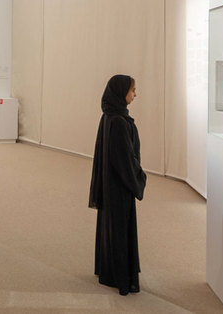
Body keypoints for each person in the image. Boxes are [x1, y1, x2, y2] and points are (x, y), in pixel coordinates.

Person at [88, 74, 147, 295]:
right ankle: (121, 277)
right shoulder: (119, 122)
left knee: (112, 228)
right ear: (121, 93)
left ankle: (110, 271)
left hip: (110, 184)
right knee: (120, 230)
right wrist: (139, 178)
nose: (135, 95)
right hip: (119, 187)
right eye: (132, 90)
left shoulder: (109, 116)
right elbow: (125, 161)